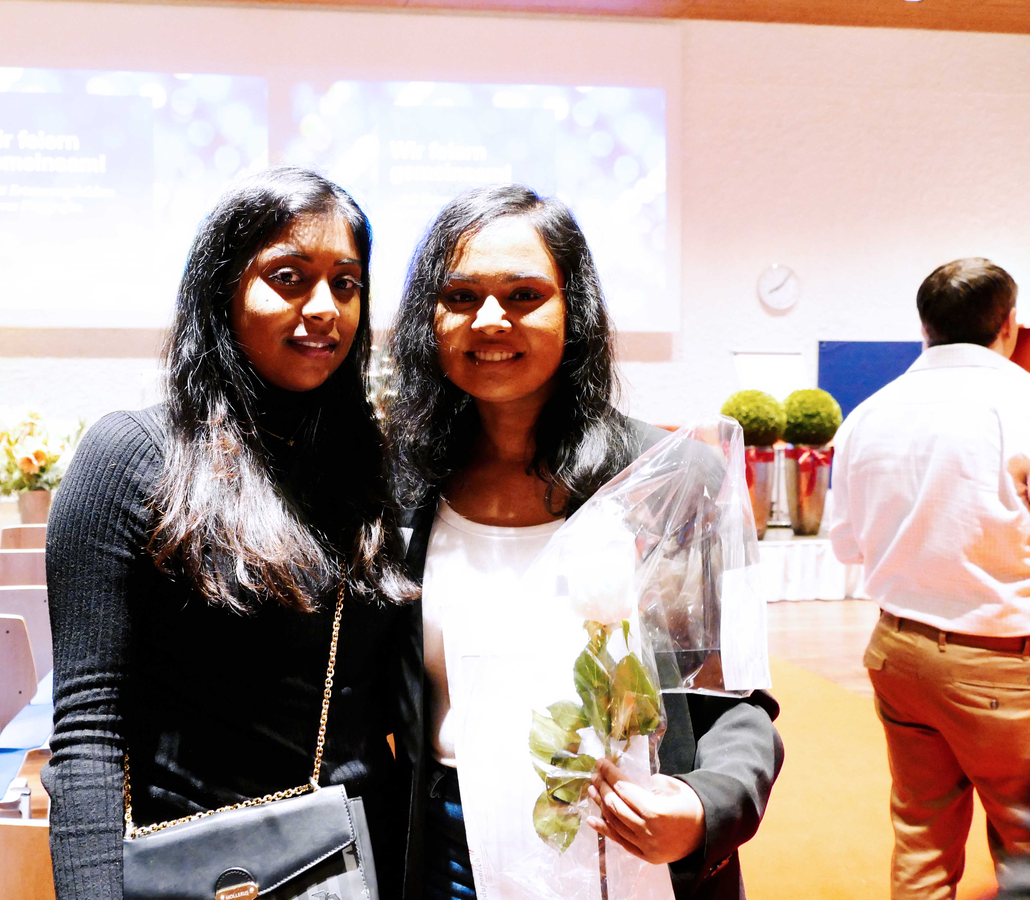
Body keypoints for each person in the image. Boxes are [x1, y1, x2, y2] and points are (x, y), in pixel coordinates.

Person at [386, 184, 783, 900]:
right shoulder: (397, 487)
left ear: (575, 310)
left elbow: (736, 700)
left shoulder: (674, 482)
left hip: (624, 849)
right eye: (460, 296)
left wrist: (704, 805)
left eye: (524, 294)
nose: (489, 319)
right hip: (450, 852)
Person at [42, 167, 420, 900]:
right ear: (222, 291)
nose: (325, 308)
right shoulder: (133, 456)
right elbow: (88, 735)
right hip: (212, 875)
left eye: (346, 284)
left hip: (358, 866)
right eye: (289, 278)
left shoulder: (371, 467)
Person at [829, 257, 1030, 900]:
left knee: (921, 839)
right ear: (1008, 325)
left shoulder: (866, 415)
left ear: (925, 327)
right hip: (1001, 660)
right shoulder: (1021, 404)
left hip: (899, 652)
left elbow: (846, 545)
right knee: (1025, 843)